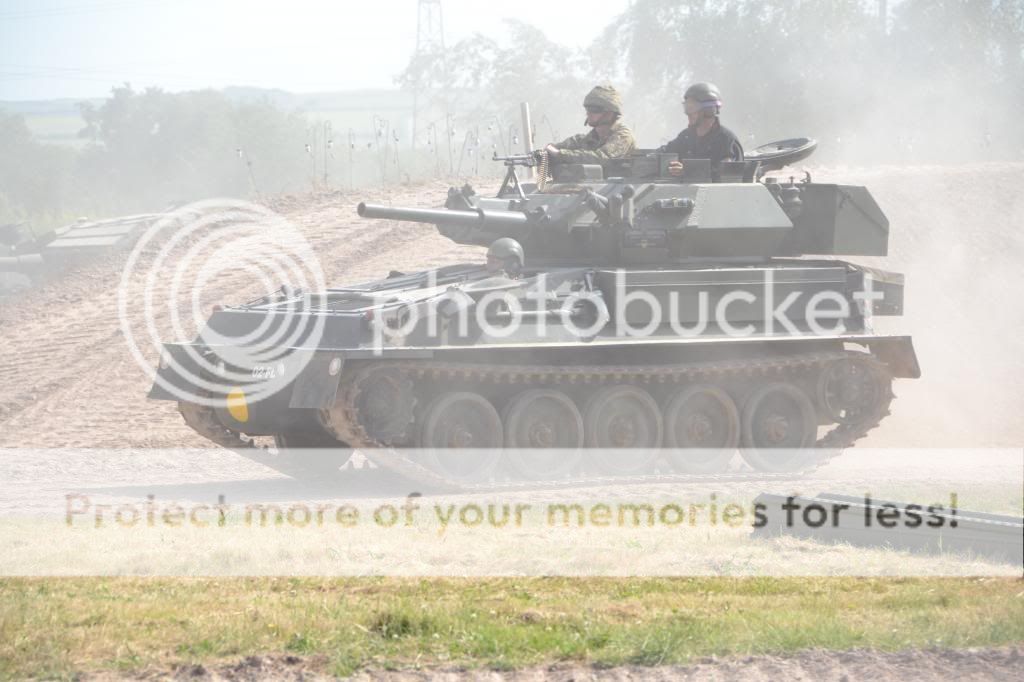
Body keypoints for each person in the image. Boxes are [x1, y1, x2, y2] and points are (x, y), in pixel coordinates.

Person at [660, 82, 743, 178]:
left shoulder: (726, 140)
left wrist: (689, 171)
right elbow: (666, 151)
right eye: (686, 107)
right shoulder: (686, 137)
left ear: (709, 109)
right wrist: (642, 156)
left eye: (692, 108)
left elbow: (727, 174)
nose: (688, 113)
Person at [544, 85, 636, 165]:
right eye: (587, 109)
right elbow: (554, 149)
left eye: (594, 109)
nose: (588, 113)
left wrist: (560, 154)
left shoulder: (623, 135)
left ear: (610, 113)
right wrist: (544, 153)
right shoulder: (584, 140)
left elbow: (603, 158)